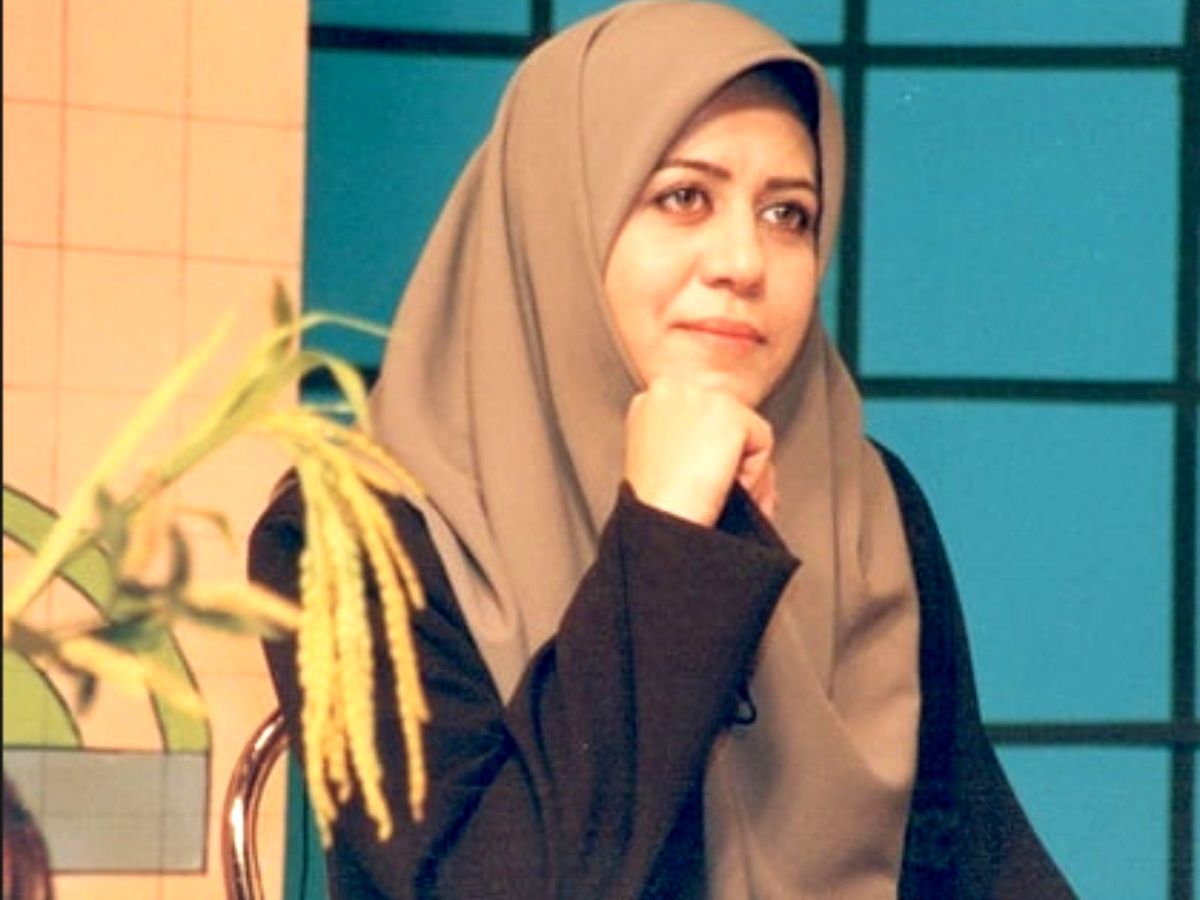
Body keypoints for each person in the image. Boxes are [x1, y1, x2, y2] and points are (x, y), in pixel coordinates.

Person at [249, 1, 1074, 896]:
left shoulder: (870, 502)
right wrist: (665, 537)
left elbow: (985, 861)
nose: (743, 261)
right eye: (685, 198)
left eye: (787, 214)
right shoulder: (346, 534)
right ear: (557, 214)